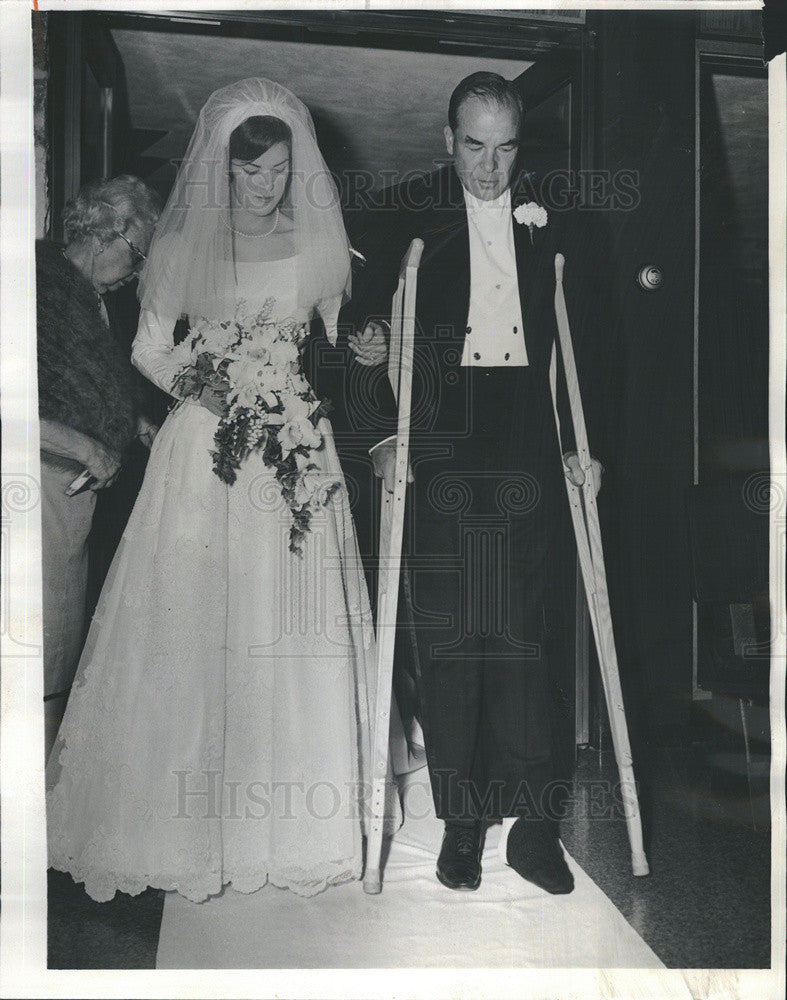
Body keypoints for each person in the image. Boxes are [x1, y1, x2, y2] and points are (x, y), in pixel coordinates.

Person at [46, 78, 398, 903]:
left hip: (296, 447)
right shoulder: (177, 250)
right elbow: (145, 347)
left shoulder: (318, 250)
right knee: (198, 619)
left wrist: (371, 348)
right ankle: (178, 822)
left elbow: (347, 347)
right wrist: (204, 385)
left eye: (278, 169)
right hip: (207, 447)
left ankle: (294, 820)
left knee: (288, 618)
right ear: (222, 171)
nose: (266, 186)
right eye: (250, 174)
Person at [354, 72, 617, 895]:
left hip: (525, 427)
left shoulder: (552, 219)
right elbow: (360, 324)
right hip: (439, 424)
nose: (489, 166)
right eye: (474, 145)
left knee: (524, 632)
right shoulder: (405, 211)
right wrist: (384, 431)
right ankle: (462, 822)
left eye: (504, 148)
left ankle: (534, 827)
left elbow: (590, 344)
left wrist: (584, 443)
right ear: (447, 140)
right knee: (451, 634)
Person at [37, 175, 161, 760]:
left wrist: (132, 421)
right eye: (136, 254)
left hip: (76, 496)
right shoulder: (35, 282)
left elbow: (84, 381)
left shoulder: (90, 297)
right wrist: (87, 447)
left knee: (62, 643)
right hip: (40, 487)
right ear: (108, 232)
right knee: (43, 649)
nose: (135, 272)